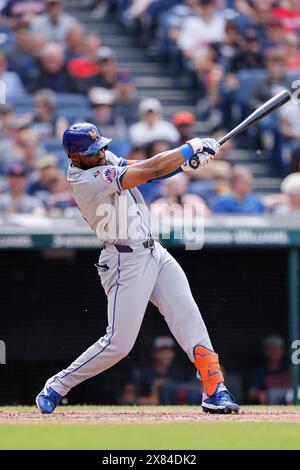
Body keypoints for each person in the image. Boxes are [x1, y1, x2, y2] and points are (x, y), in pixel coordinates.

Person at [36, 121, 240, 415]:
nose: (103, 153)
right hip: (124, 262)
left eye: (102, 146)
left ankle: (215, 389)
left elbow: (146, 166)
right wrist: (189, 148)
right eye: (94, 151)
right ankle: (57, 385)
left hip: (154, 251)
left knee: (189, 318)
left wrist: (185, 164)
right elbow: (150, 170)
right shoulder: (86, 179)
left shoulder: (100, 160)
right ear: (74, 157)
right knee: (118, 344)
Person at [134, 336, 183, 405]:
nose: (166, 355)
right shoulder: (145, 373)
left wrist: (164, 384)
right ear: (154, 353)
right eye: (162, 352)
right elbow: (132, 398)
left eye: (169, 352)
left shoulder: (178, 372)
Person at [247, 335, 291, 405]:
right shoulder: (258, 372)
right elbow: (251, 393)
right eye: (271, 348)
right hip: (269, 405)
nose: (274, 352)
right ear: (264, 351)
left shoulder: (290, 369)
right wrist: (259, 395)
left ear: (283, 351)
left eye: (277, 348)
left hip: (290, 404)